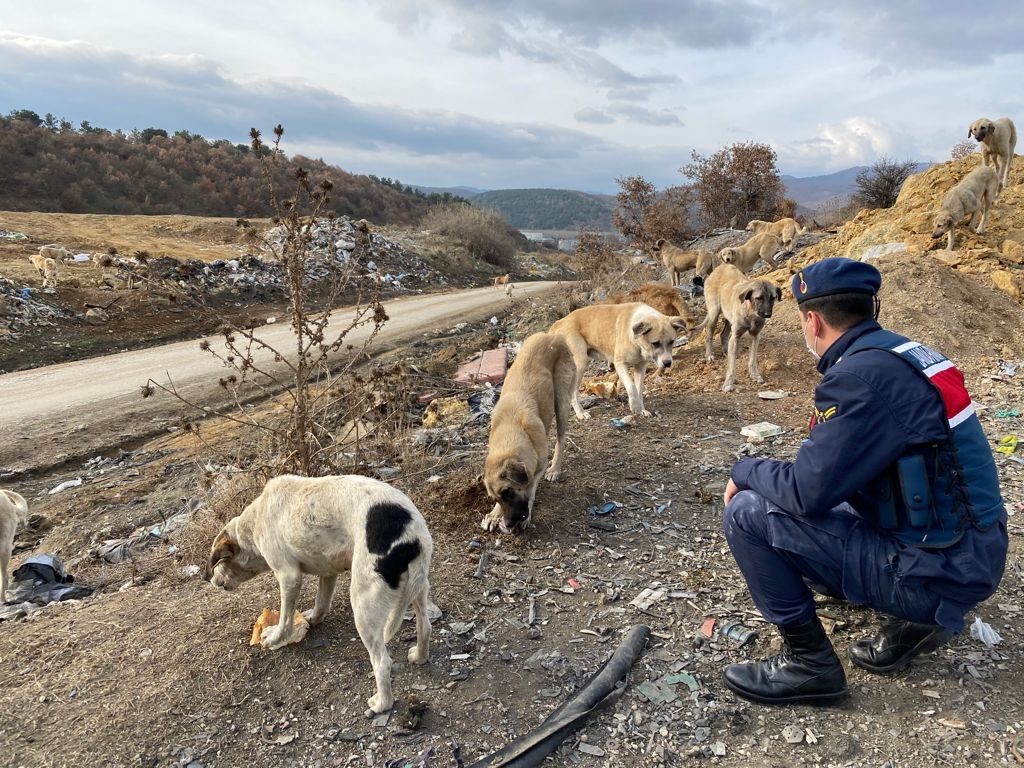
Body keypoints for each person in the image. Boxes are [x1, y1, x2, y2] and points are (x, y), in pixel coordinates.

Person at [721, 257, 1008, 705]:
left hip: (937, 574)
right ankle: (919, 619)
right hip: (975, 554)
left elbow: (805, 491)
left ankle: (808, 663)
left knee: (749, 512)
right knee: (811, 496)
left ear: (812, 320)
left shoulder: (858, 378)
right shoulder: (909, 354)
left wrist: (745, 470)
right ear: (870, 308)